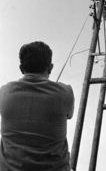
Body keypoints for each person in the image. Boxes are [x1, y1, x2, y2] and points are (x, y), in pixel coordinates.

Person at [0, 41, 74, 171]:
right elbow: (69, 115)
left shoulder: (4, 92)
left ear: (21, 68)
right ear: (50, 67)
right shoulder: (65, 92)